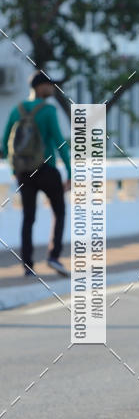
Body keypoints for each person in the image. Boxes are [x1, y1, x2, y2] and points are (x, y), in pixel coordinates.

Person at [2, 70, 71, 277]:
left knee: (28, 218)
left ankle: (27, 266)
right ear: (39, 87)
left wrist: (15, 169)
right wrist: (69, 171)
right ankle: (53, 256)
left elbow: (5, 142)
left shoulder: (17, 109)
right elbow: (59, 142)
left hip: (24, 173)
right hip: (47, 169)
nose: (51, 88)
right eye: (48, 84)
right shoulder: (48, 110)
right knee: (59, 211)